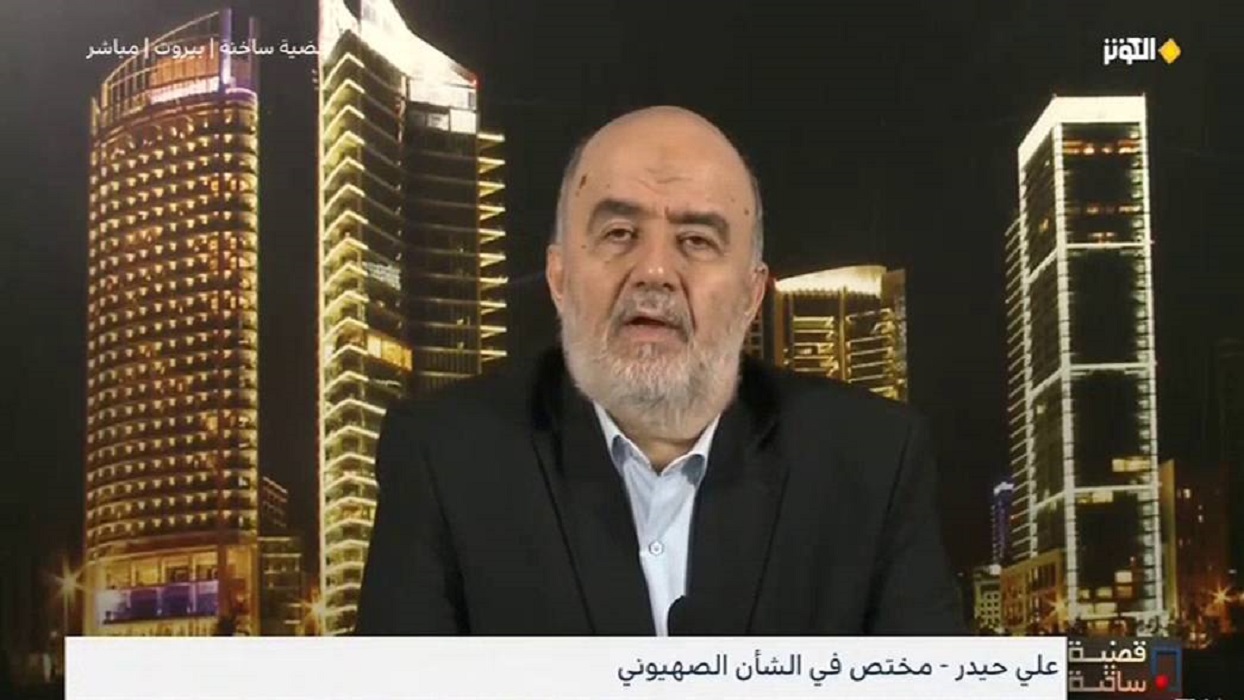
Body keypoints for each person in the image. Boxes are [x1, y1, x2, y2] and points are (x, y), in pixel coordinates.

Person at [355, 106, 965, 635]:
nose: (654, 271)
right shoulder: (443, 456)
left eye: (696, 240)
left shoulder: (874, 462)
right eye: (620, 233)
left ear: (752, 296)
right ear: (560, 277)